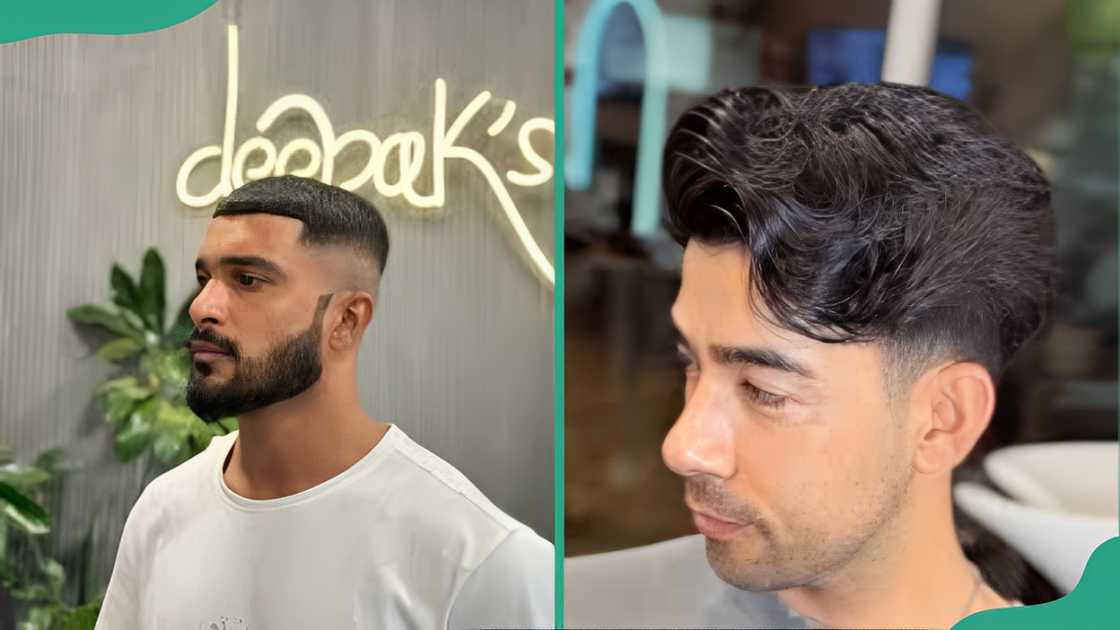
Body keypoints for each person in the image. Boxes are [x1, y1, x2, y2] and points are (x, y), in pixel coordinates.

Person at [566, 83, 1055, 629]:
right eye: (691, 364)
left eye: (763, 391)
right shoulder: (573, 607)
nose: (683, 448)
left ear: (943, 421)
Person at [96, 176, 553, 630]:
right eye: (205, 278)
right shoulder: (162, 510)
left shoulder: (483, 560)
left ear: (346, 321)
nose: (201, 306)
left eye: (248, 279)